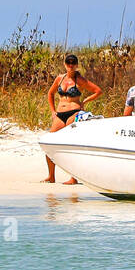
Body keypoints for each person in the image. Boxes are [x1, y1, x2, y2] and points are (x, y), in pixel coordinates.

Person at [43, 54, 102, 184]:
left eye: (73, 63)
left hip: (74, 113)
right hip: (60, 114)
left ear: (76, 65)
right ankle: (51, 176)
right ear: (65, 64)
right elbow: (50, 93)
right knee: (49, 143)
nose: (70, 65)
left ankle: (73, 177)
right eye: (68, 63)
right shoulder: (60, 78)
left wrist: (84, 101)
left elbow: (98, 91)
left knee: (70, 143)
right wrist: (53, 111)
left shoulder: (80, 80)